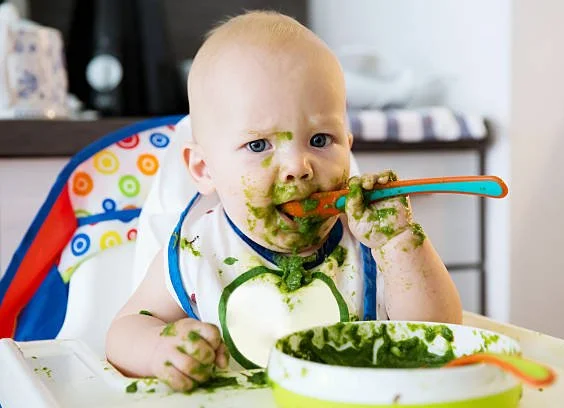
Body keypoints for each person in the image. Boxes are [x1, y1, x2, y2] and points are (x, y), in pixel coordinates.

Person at [106, 10, 462, 392]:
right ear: (204, 169)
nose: (298, 166)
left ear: (348, 146)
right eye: (258, 145)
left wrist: (400, 245)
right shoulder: (197, 251)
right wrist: (161, 349)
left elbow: (441, 335)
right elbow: (124, 331)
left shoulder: (370, 244)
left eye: (321, 139)